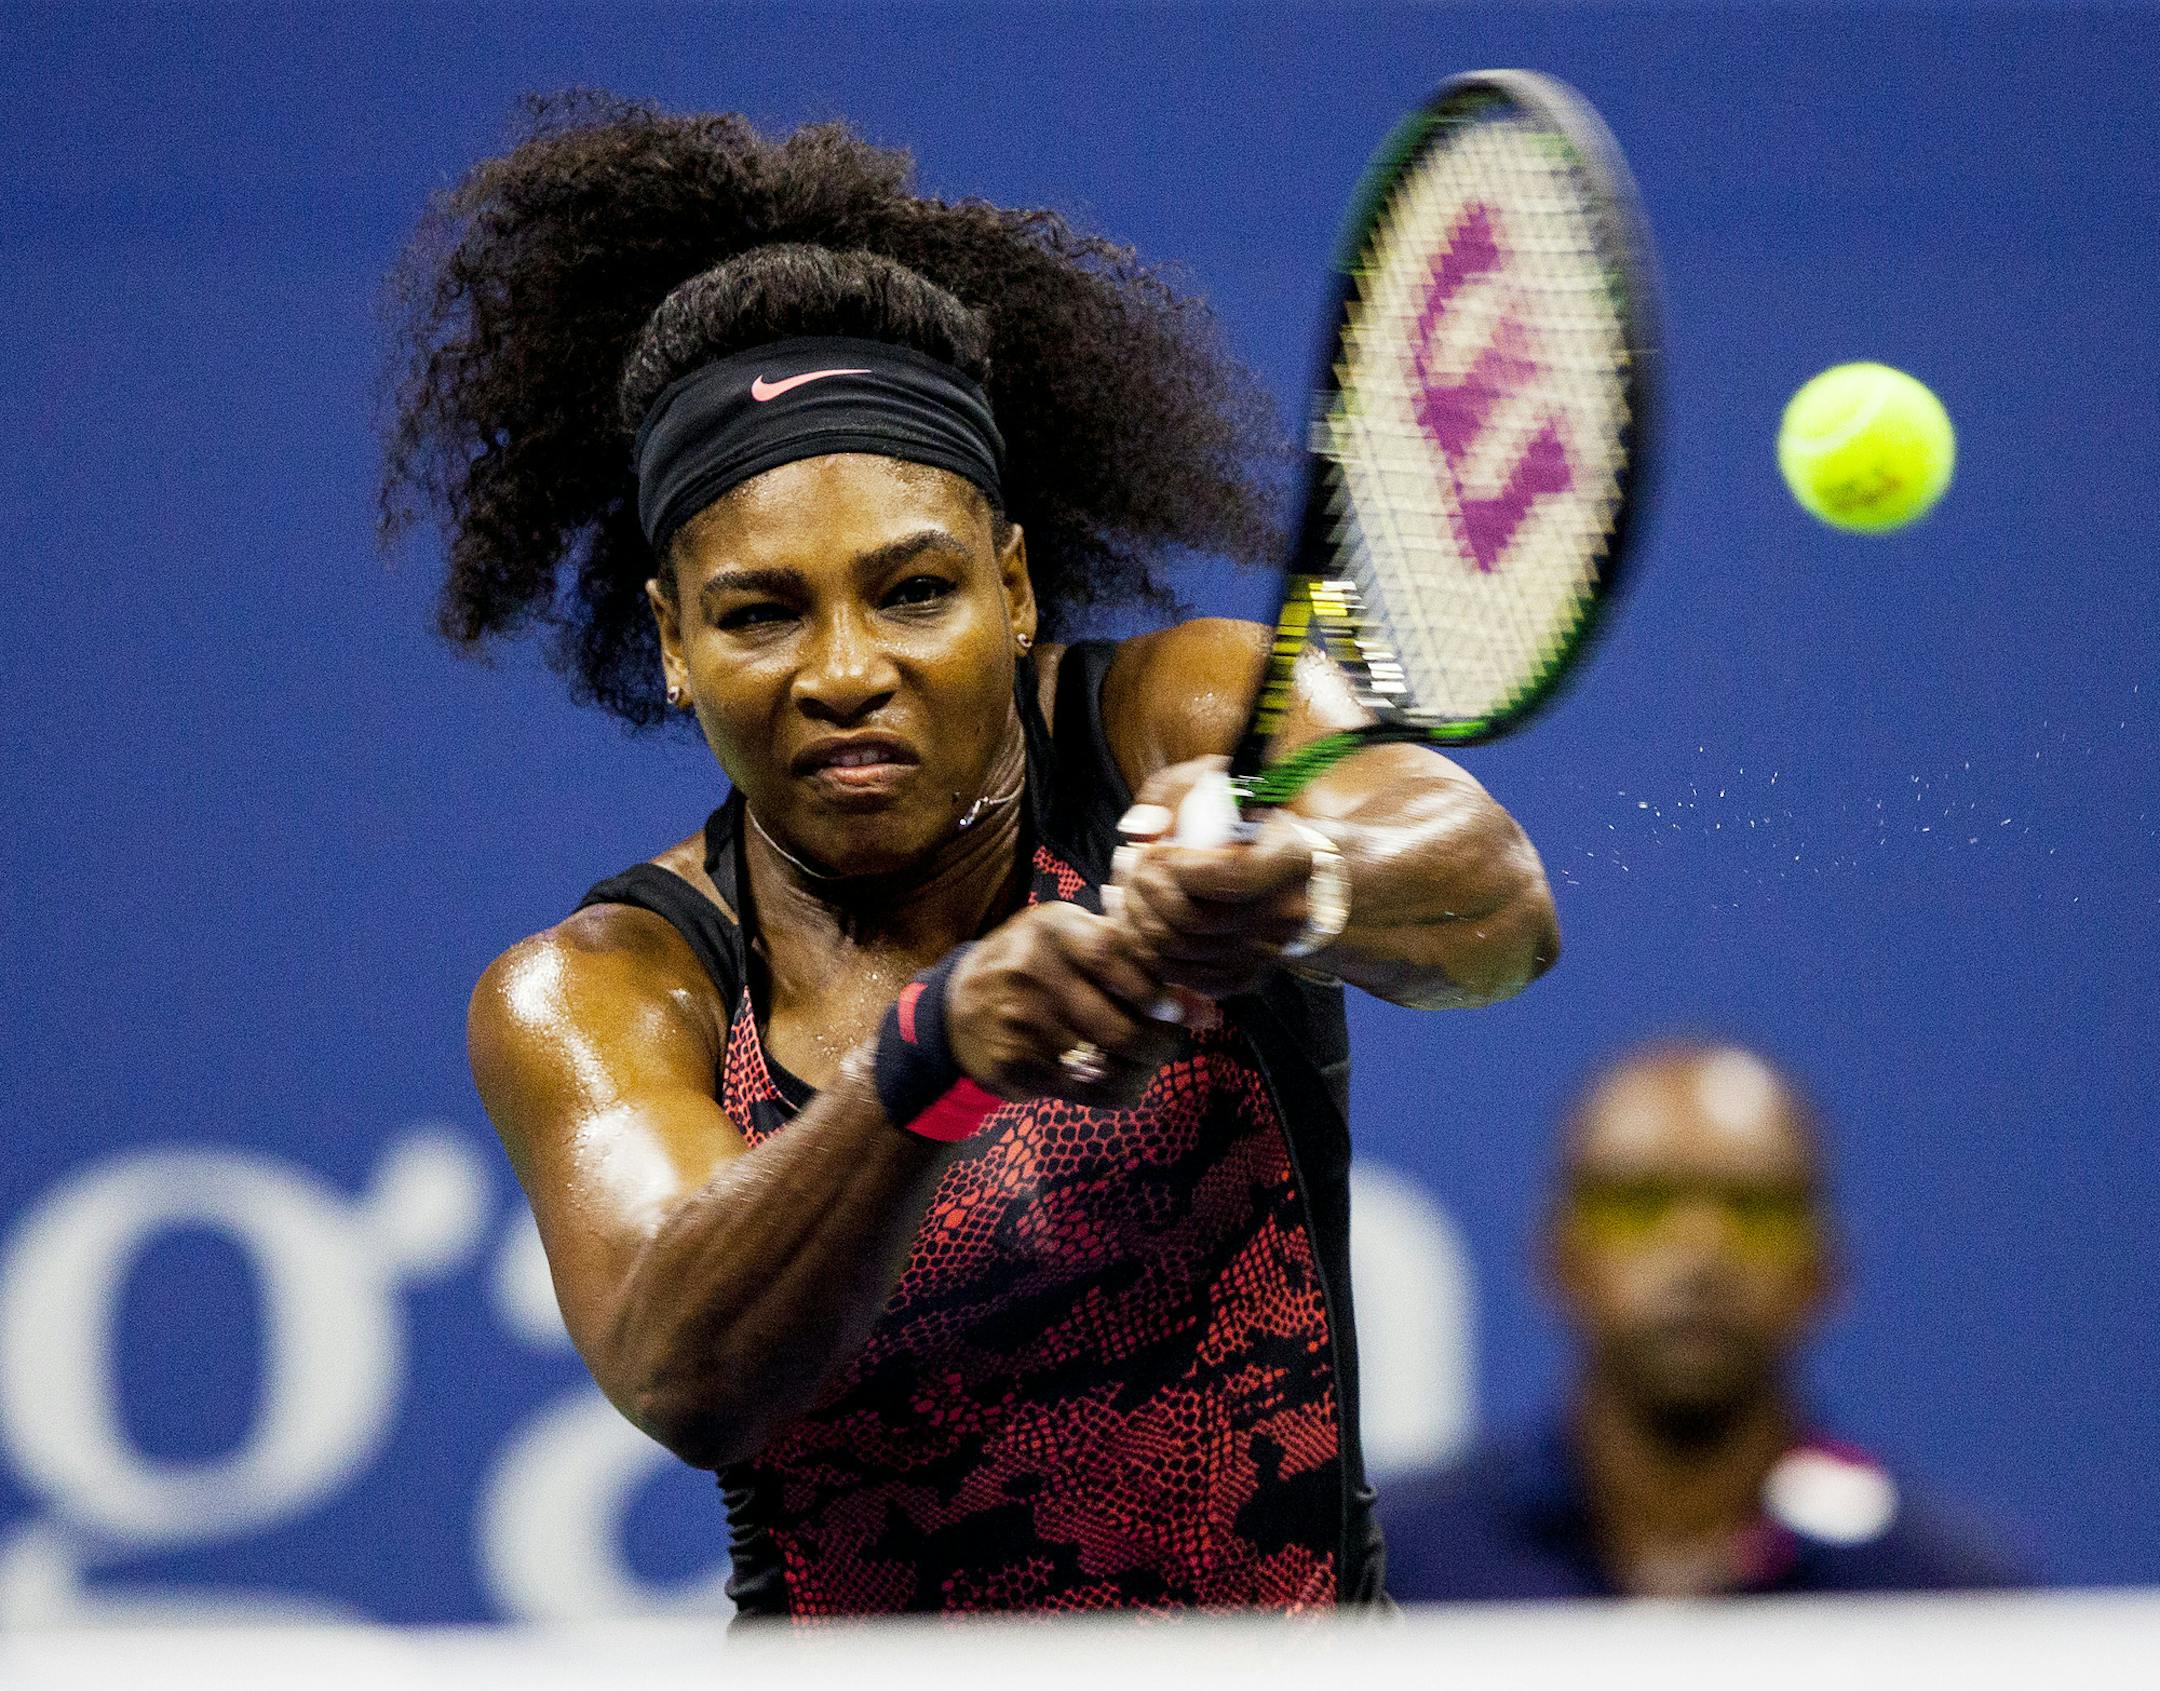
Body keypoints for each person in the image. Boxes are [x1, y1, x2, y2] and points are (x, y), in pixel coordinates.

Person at [380, 96, 1560, 1619]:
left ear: (1012, 585)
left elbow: (1496, 909)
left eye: (913, 588)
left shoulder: (1181, 712)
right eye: (759, 613)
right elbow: (685, 1368)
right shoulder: (601, 987)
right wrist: (935, 1058)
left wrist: (1295, 878)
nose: (844, 668)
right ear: (672, 643)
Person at [1382, 1041, 2028, 1602]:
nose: (1699, 1254)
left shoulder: (1944, 1596)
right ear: (1559, 1258)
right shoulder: (1397, 1571)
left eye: (1754, 1210)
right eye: (1639, 1204)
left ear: (1822, 1273)